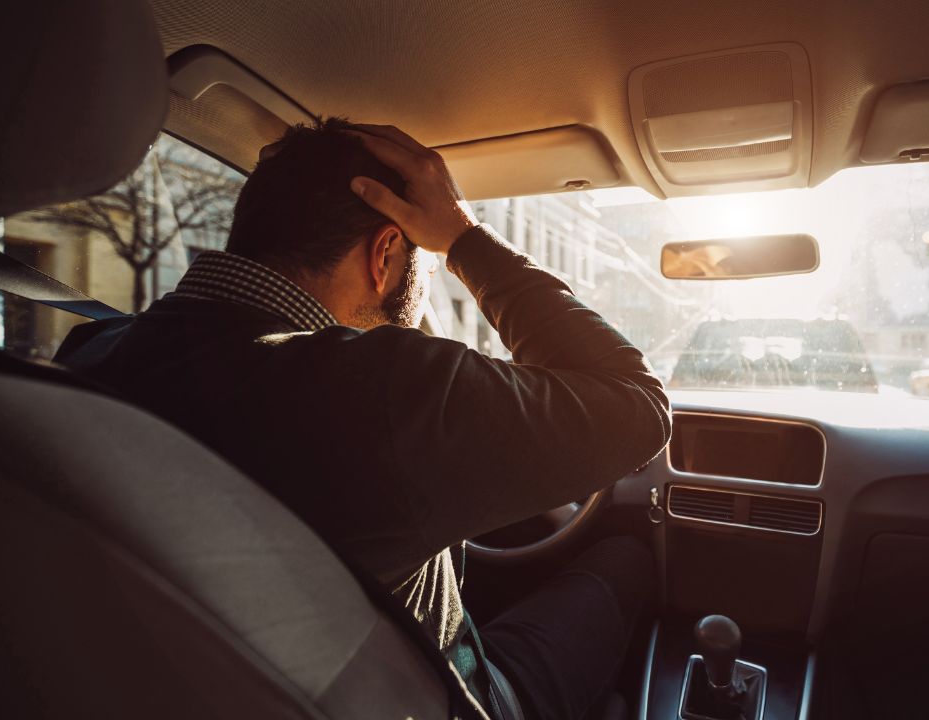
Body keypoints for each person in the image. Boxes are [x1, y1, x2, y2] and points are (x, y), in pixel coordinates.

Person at [55, 119, 672, 720]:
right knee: (623, 558)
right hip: (441, 697)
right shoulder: (389, 389)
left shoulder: (91, 353)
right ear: (386, 253)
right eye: (427, 265)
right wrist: (464, 238)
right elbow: (638, 405)